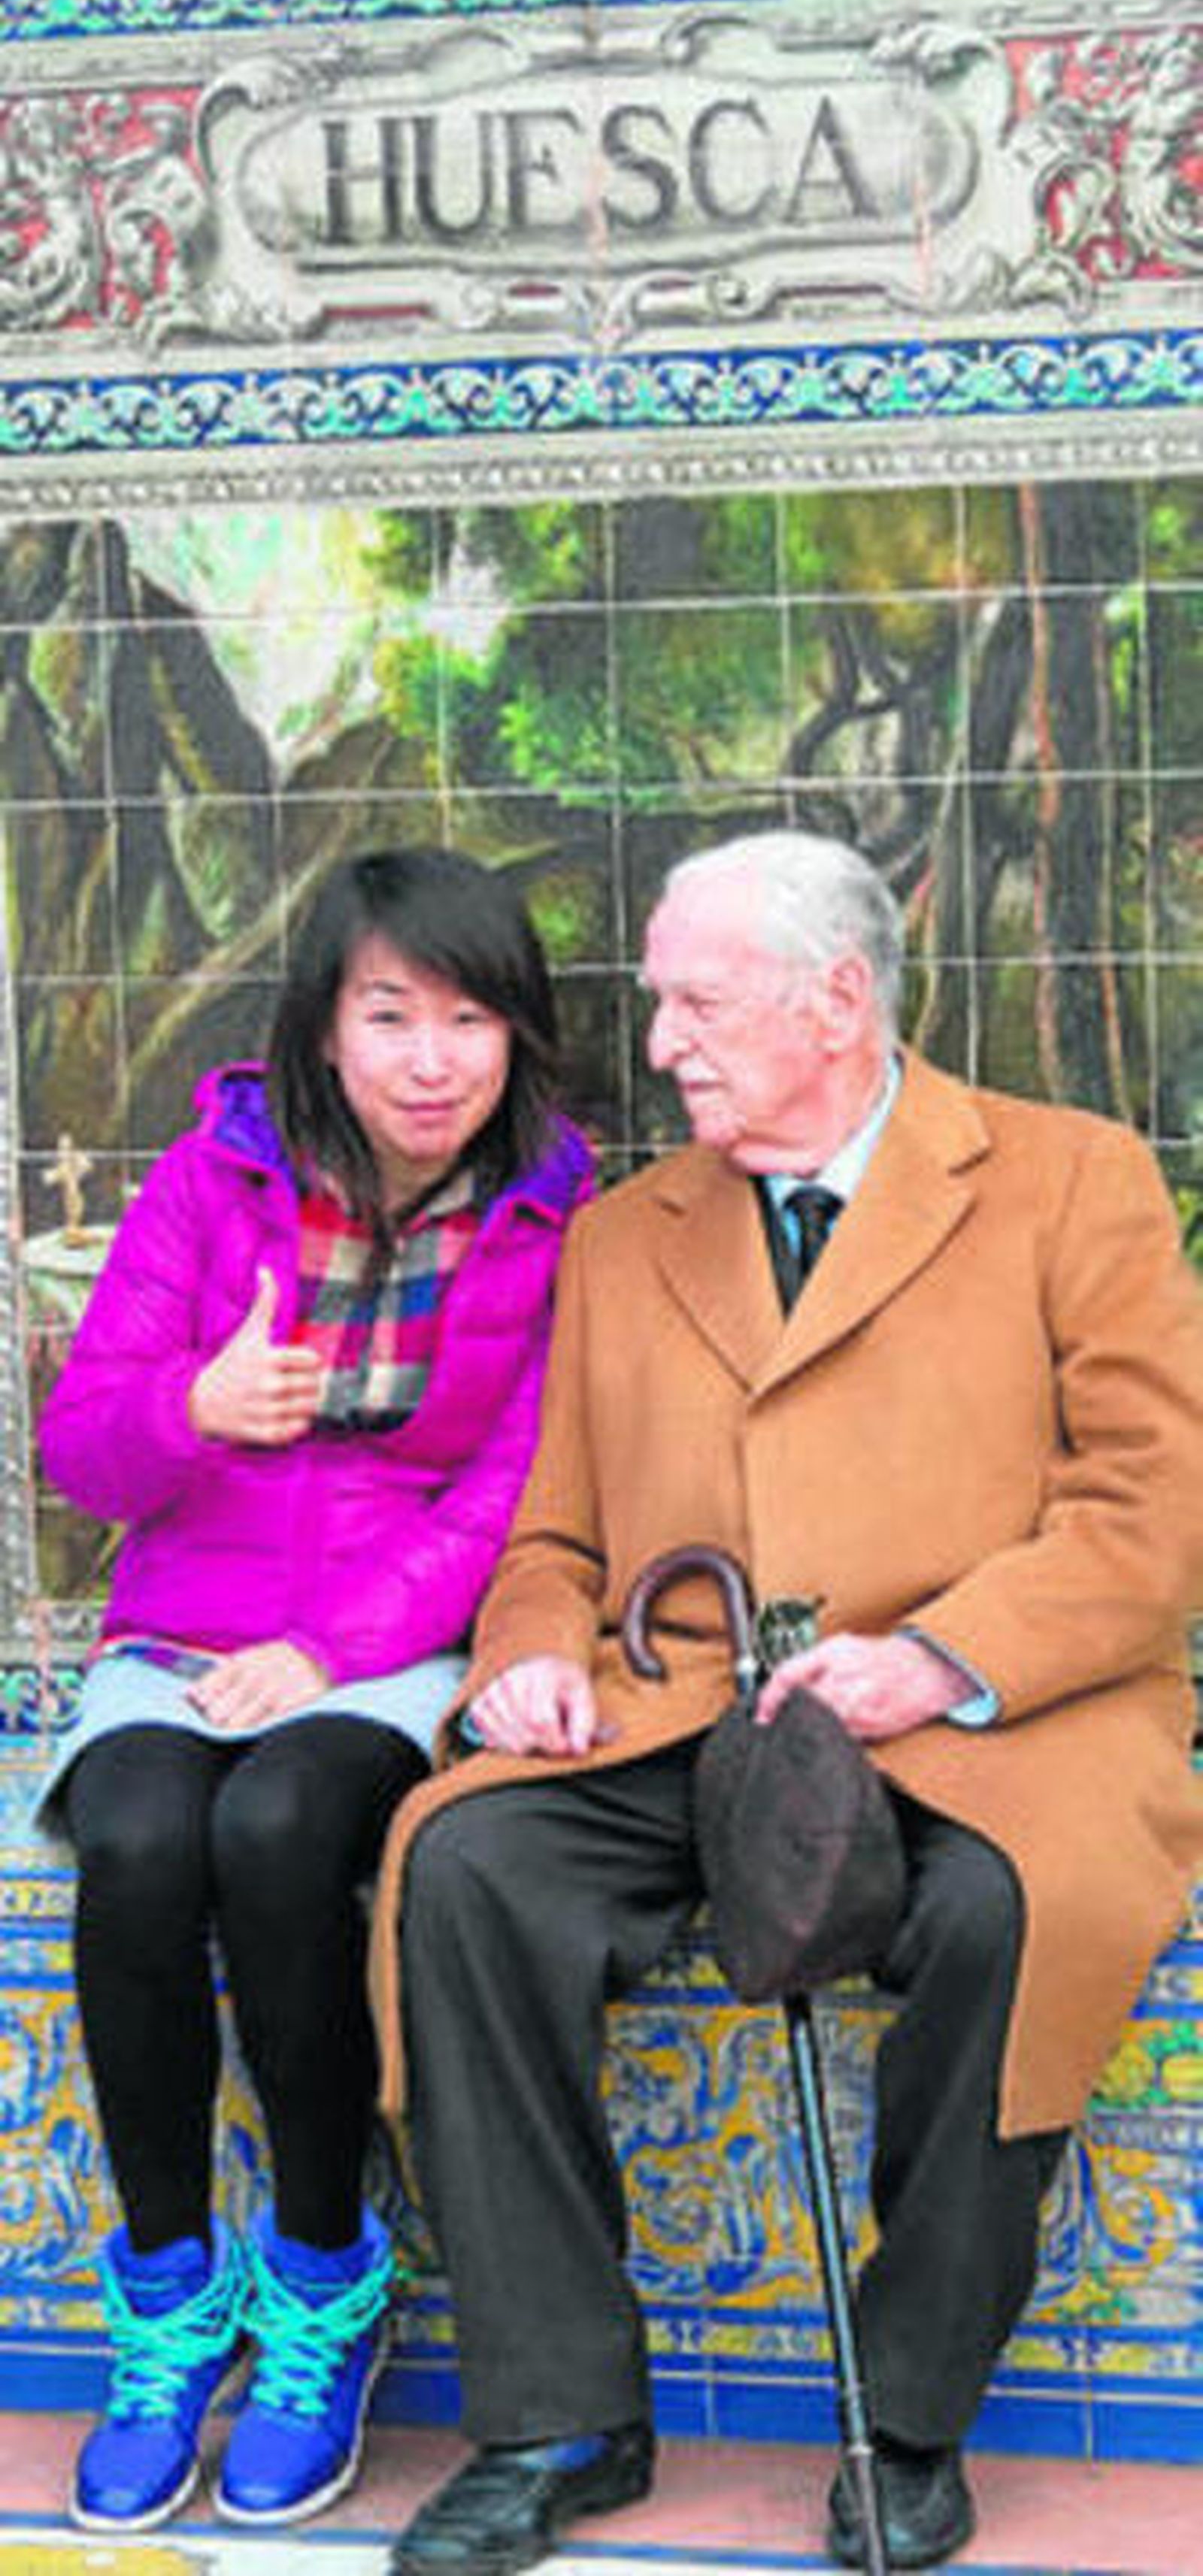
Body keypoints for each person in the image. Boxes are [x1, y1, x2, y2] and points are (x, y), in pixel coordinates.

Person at [368, 830, 1203, 2576]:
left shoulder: (1070, 1179)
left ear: (833, 1002)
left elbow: (1154, 1501)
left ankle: (903, 2420)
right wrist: (531, 1647)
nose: (659, 1041)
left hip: (988, 1721)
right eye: (660, 1001)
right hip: (693, 1704)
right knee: (467, 1865)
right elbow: (553, 1535)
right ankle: (558, 2417)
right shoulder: (625, 1235)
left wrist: (944, 1656)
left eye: (695, 1002)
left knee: (1003, 1911)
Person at [37, 847, 592, 2538]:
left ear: (517, 1036)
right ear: (325, 1026)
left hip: (389, 1640)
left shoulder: (554, 1216)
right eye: (390, 1015)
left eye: (469, 1020)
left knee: (281, 1828)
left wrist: (333, 1650)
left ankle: (325, 2278)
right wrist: (193, 1407)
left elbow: (506, 1491)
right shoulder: (210, 1182)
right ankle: (167, 2298)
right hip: (181, 1623)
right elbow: (83, 1450)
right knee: (140, 1839)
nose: (431, 1060)